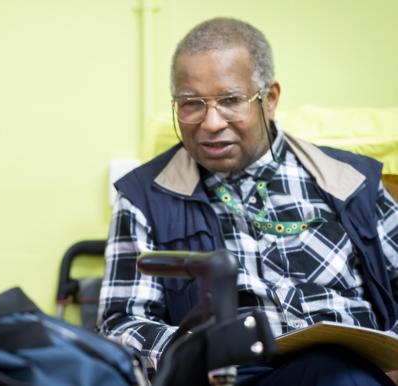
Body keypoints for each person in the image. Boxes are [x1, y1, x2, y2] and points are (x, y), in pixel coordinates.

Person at [98, 17, 398, 385]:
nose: (210, 123)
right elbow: (120, 325)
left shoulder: (350, 182)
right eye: (191, 104)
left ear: (269, 99)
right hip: (230, 377)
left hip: (356, 368)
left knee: (334, 370)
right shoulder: (144, 196)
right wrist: (196, 348)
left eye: (230, 101)